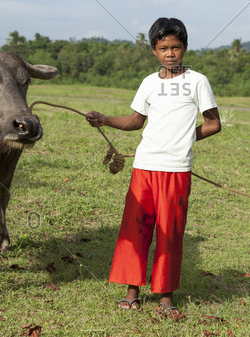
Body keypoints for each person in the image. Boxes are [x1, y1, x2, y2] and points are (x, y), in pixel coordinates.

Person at [86, 17, 221, 319]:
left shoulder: (197, 82)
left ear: (185, 47)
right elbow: (136, 121)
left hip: (176, 170)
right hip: (144, 167)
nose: (170, 53)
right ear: (154, 51)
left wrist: (186, 137)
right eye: (164, 48)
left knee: (169, 232)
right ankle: (131, 291)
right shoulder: (149, 83)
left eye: (176, 47)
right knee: (135, 230)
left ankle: (166, 296)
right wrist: (106, 119)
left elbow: (214, 124)